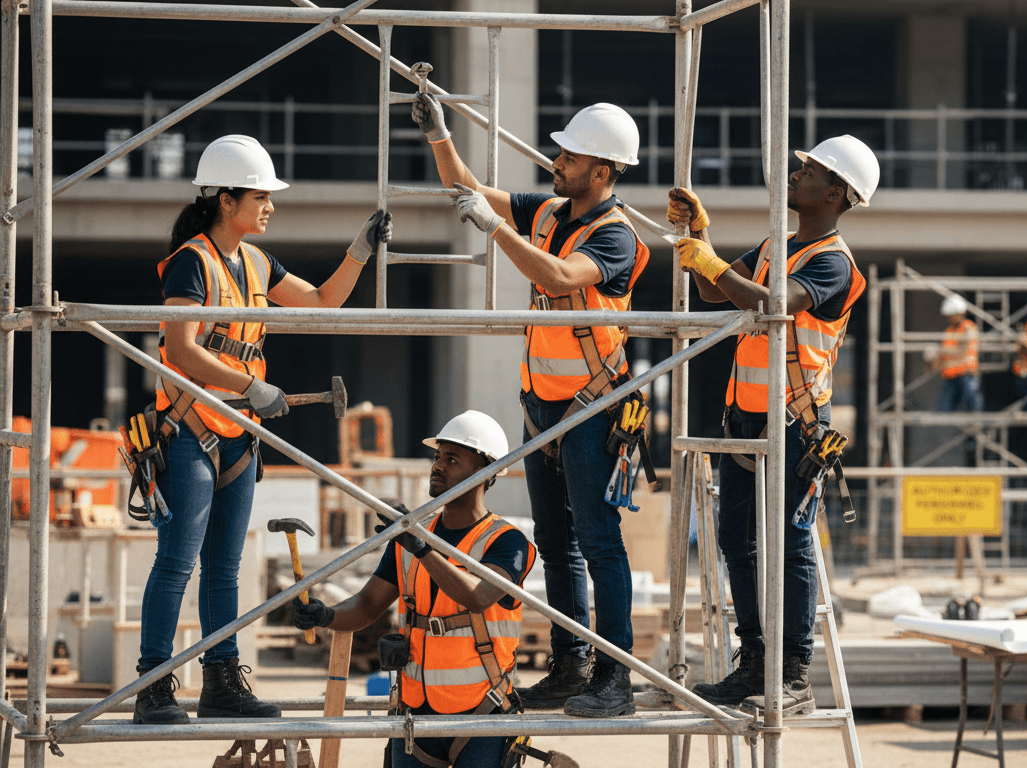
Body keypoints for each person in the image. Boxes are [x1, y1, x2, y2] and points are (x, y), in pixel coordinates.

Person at [134, 134, 392, 725]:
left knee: (225, 567)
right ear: (226, 201)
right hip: (190, 429)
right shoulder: (191, 261)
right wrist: (250, 387)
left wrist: (359, 250)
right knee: (177, 562)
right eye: (260, 196)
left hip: (238, 435)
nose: (270, 205)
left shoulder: (256, 261)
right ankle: (154, 685)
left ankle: (221, 681)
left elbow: (323, 303)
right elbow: (180, 347)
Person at [410, 95, 649, 717]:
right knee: (558, 541)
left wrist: (496, 232)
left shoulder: (616, 236)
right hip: (542, 406)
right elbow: (465, 186)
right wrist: (441, 135)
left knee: (599, 541)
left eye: (570, 154)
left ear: (603, 170)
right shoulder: (547, 212)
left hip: (590, 409)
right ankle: (571, 665)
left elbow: (562, 279)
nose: (557, 159)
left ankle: (614, 675)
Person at [669, 135, 878, 715]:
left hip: (794, 422)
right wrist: (699, 240)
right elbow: (715, 290)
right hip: (745, 417)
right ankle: (756, 662)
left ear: (835, 193)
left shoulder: (833, 262)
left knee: (789, 543)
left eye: (808, 170)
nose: (795, 172)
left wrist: (708, 259)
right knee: (738, 539)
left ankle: (794, 674)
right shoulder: (776, 244)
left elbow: (771, 305)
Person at [292, 411, 536, 768]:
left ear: (485, 472)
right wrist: (327, 615)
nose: (437, 466)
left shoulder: (508, 543)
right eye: (437, 457)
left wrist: (421, 546)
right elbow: (367, 604)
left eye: (452, 459)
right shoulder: (410, 537)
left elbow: (479, 596)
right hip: (414, 710)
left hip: (483, 711)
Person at [934, 294, 982, 412]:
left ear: (959, 313)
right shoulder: (948, 331)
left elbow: (964, 350)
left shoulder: (968, 328)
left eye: (951, 315)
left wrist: (945, 354)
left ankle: (976, 423)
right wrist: (935, 360)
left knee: (973, 402)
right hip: (951, 375)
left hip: (966, 373)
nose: (949, 318)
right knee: (944, 408)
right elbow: (944, 352)